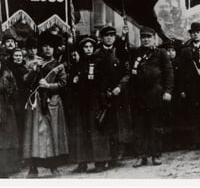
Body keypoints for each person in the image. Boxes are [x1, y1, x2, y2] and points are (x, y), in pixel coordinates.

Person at [23, 32, 68, 178]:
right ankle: (33, 167)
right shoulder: (35, 64)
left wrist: (49, 85)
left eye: (50, 47)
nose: (47, 49)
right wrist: (34, 71)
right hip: (36, 103)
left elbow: (63, 84)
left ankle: (53, 167)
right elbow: (27, 82)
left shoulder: (59, 66)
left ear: (54, 49)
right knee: (35, 136)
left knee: (52, 135)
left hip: (52, 102)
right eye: (45, 46)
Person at [130, 27, 173, 167]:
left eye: (148, 37)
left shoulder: (160, 53)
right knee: (140, 128)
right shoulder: (136, 53)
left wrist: (168, 91)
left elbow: (168, 73)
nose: (146, 39)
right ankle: (141, 156)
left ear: (154, 38)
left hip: (155, 94)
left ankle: (156, 155)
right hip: (140, 96)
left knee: (155, 127)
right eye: (143, 37)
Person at [68, 36, 111, 173]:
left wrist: (102, 98)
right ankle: (82, 163)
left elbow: (104, 81)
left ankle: (100, 161)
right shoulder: (77, 64)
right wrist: (74, 80)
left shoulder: (98, 62)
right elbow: (72, 83)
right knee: (81, 132)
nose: (88, 49)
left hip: (94, 100)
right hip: (80, 102)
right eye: (85, 47)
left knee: (96, 130)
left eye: (90, 47)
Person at [94, 25, 133, 168]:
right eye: (106, 36)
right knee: (104, 126)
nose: (109, 38)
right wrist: (104, 91)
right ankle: (105, 156)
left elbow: (127, 73)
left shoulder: (120, 52)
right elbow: (96, 76)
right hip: (103, 96)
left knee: (118, 126)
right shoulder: (97, 54)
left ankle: (116, 157)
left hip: (119, 95)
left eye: (112, 35)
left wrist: (120, 87)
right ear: (102, 38)